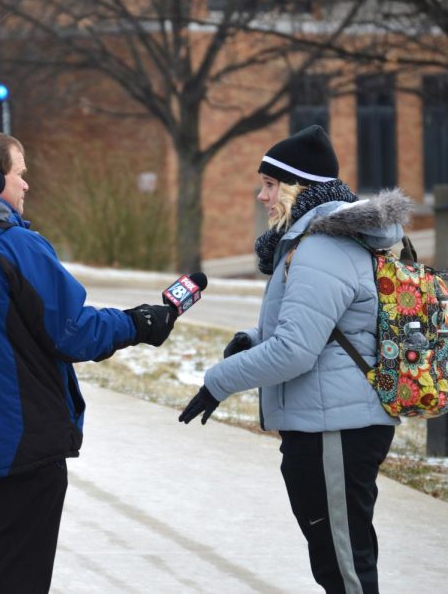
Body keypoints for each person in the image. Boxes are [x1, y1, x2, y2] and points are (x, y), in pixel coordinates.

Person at [0, 130, 176, 593]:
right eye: (20, 174)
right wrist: (138, 324)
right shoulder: (14, 246)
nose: (26, 186)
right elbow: (75, 332)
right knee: (16, 575)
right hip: (24, 443)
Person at [179, 125, 410, 593]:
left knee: (344, 567)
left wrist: (218, 381)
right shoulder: (311, 242)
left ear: (298, 189)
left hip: (336, 430)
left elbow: (295, 351)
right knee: (337, 560)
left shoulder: (322, 247)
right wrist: (251, 340)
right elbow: (317, 328)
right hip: (329, 424)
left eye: (270, 184)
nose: (261, 195)